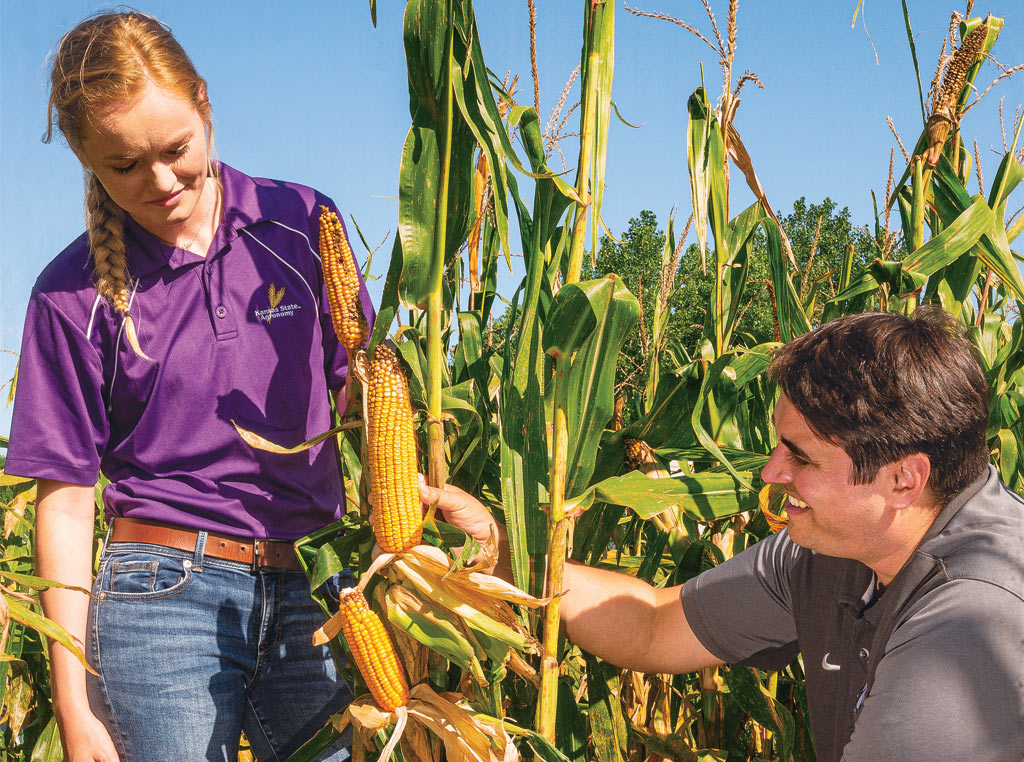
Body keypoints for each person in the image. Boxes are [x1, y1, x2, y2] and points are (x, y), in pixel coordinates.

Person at [5, 11, 372, 762]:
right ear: (86, 161)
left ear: (204, 102)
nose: (161, 181)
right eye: (124, 166)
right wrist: (73, 705)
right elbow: (67, 502)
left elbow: (361, 398)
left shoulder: (302, 224)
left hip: (317, 585)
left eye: (175, 150)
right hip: (160, 598)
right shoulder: (68, 296)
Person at [425, 308, 1024, 762]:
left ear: (903, 478)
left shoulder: (975, 615)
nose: (769, 474)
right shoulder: (827, 552)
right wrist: (503, 553)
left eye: (802, 459)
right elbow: (656, 626)